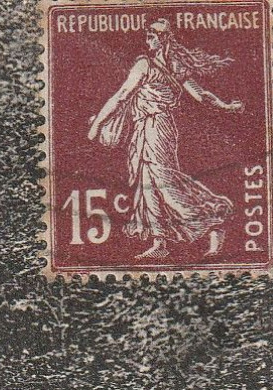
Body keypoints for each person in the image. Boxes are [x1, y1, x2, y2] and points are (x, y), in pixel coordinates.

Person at [88, 18, 243, 260]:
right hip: (145, 127)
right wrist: (225, 105)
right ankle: (159, 242)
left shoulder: (151, 65)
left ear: (163, 39)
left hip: (157, 127)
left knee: (162, 180)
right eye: (147, 36)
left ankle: (212, 222)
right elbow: (199, 95)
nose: (147, 40)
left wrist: (97, 124)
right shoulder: (160, 64)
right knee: (146, 181)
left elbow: (122, 96)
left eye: (152, 36)